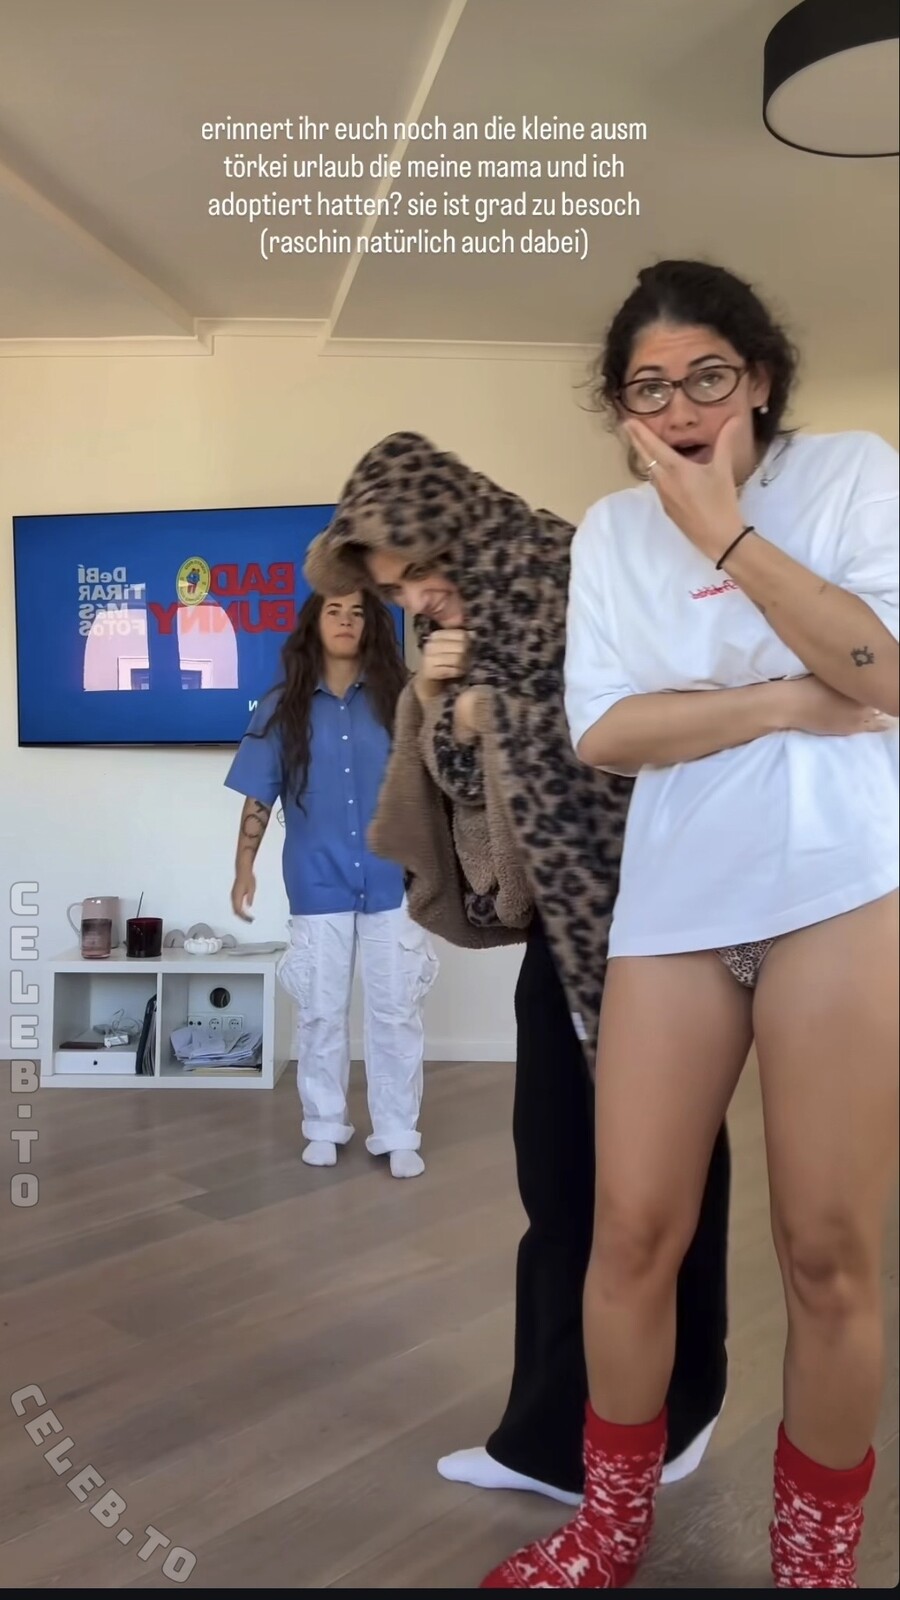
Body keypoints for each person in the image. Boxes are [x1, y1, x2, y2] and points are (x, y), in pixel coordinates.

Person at [478, 259, 899, 1590]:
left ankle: (813, 1566)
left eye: (706, 375)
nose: (677, 408)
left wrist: (725, 536)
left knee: (826, 1253)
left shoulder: (849, 475)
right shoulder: (610, 532)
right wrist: (785, 701)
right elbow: (606, 730)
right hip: (672, 905)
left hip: (838, 883)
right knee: (630, 1231)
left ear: (759, 378)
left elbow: (887, 671)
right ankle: (608, 1529)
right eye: (647, 387)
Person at [303, 432, 731, 1505]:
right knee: (569, 1181)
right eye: (395, 588)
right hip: (573, 929)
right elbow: (467, 783)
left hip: (651, 915)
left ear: (453, 523)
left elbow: (644, 729)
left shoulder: (570, 568)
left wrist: (493, 710)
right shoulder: (473, 612)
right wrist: (441, 698)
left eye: (415, 570)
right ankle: (569, 1430)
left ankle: (661, 1416)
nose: (414, 597)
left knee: (643, 1183)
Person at [224, 588, 438, 1178]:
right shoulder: (282, 705)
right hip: (316, 879)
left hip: (396, 878)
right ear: (313, 624)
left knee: (396, 1009)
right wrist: (244, 867)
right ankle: (323, 1124)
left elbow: (433, 785)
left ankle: (398, 1131)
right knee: (320, 1010)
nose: (346, 621)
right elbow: (259, 793)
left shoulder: (401, 698)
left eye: (357, 612)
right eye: (333, 611)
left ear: (372, 625)